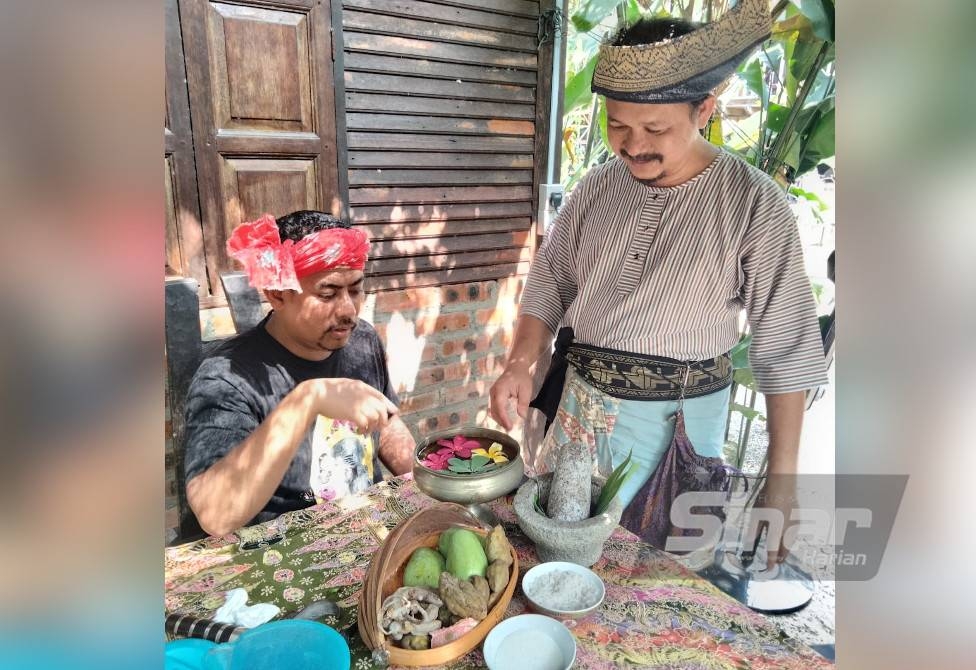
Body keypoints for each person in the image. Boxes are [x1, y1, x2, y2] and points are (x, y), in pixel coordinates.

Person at [488, 1, 827, 565]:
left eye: (655, 128)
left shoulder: (753, 202)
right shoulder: (597, 188)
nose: (632, 144)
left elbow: (786, 346)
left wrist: (783, 481)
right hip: (579, 412)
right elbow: (550, 281)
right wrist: (522, 362)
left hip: (678, 434)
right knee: (556, 557)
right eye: (617, 124)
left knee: (660, 583)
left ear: (705, 109)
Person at [183, 210, 415, 537]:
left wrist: (426, 482)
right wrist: (306, 400)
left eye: (355, 289)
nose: (349, 310)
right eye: (328, 293)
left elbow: (386, 423)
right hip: (285, 550)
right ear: (277, 293)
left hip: (368, 529)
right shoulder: (228, 377)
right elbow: (215, 514)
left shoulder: (361, 340)